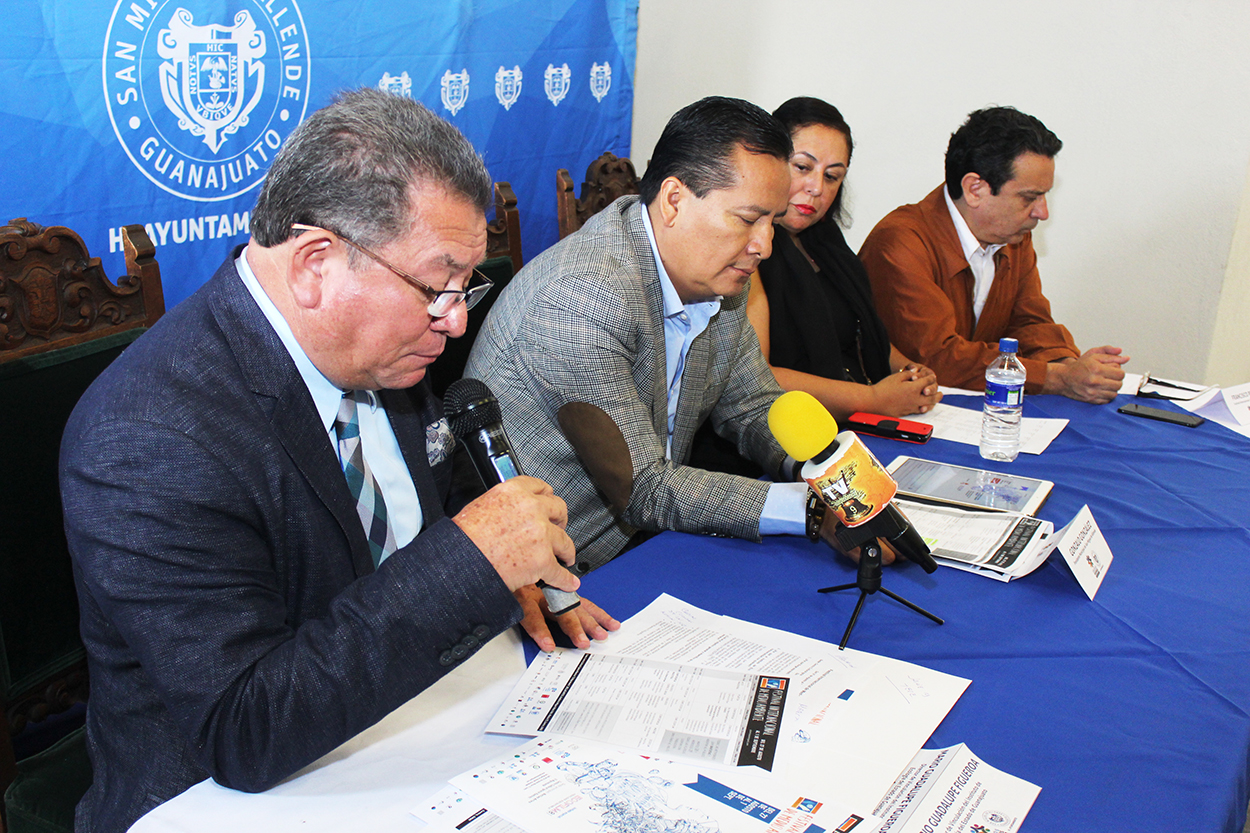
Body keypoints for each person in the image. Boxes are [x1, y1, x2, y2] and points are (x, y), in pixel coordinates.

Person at [59, 89, 611, 833]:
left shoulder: (387, 351)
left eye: (465, 285)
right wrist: (468, 563)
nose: (455, 319)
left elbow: (394, 543)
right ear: (317, 261)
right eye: (436, 285)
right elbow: (243, 728)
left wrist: (497, 583)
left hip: (408, 727)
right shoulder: (148, 435)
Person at [466, 96, 837, 573]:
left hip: (651, 540)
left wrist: (832, 478)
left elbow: (751, 407)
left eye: (773, 221)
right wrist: (809, 510)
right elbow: (644, 488)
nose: (763, 246)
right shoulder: (583, 296)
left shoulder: (718, 278)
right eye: (748, 219)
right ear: (674, 200)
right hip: (559, 573)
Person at [859, 106, 1128, 403]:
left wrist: (1071, 367)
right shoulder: (901, 243)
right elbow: (936, 358)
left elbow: (1030, 324)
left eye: (1044, 195)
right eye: (1029, 197)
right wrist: (1058, 379)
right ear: (975, 189)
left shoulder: (1014, 237)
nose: (1042, 212)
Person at [748, 96, 941, 421]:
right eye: (803, 167)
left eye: (832, 176)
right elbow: (758, 376)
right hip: (781, 436)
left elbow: (857, 330)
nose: (816, 187)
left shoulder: (827, 241)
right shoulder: (749, 249)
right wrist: (873, 399)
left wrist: (909, 371)